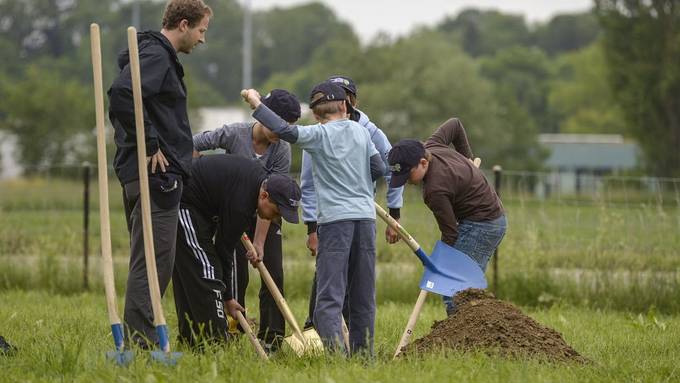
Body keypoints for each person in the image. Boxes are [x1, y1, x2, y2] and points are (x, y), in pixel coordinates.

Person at [241, 82, 385, 355]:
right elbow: (379, 167)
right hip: (365, 219)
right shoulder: (362, 132)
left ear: (316, 114)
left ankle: (337, 360)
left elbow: (283, 130)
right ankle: (364, 358)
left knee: (328, 298)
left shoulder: (317, 136)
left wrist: (256, 103)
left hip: (334, 221)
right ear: (345, 106)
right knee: (363, 295)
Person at [107, 0, 212, 348]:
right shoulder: (156, 56)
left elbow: (139, 103)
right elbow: (123, 94)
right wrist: (152, 143)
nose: (202, 39)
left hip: (145, 173)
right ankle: (143, 341)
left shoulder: (152, 56)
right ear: (183, 25)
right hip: (156, 176)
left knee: (150, 261)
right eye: (201, 30)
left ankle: (142, 336)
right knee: (153, 264)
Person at [192, 89, 301, 352]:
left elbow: (273, 198)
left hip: (267, 210)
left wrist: (260, 243)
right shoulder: (234, 133)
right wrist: (201, 170)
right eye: (277, 125)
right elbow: (193, 144)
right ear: (264, 114)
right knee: (235, 270)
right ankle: (233, 326)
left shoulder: (282, 149)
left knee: (272, 271)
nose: (279, 132)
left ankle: (272, 337)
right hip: (233, 212)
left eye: (285, 128)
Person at [301, 75, 404, 329]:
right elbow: (308, 183)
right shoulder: (318, 134)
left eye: (345, 95)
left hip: (362, 216)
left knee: (360, 287)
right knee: (328, 282)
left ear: (351, 101)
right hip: (333, 218)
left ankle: (354, 343)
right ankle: (316, 330)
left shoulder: (369, 131)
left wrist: (394, 214)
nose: (341, 100)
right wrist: (311, 228)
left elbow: (390, 169)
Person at [172, 154, 301, 347]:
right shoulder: (241, 205)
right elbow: (224, 251)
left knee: (194, 272)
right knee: (207, 270)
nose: (275, 218)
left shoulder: (258, 183)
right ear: (264, 196)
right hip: (185, 203)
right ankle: (214, 341)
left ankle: (192, 340)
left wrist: (228, 296)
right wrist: (228, 298)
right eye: (276, 211)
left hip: (202, 209)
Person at [387, 118, 507, 315]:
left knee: (454, 289)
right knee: (461, 286)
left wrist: (439, 263)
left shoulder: (435, 190)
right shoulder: (431, 146)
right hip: (487, 219)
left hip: (482, 226)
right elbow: (455, 124)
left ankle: (464, 339)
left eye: (408, 176)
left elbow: (450, 234)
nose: (406, 182)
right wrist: (467, 158)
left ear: (423, 162)